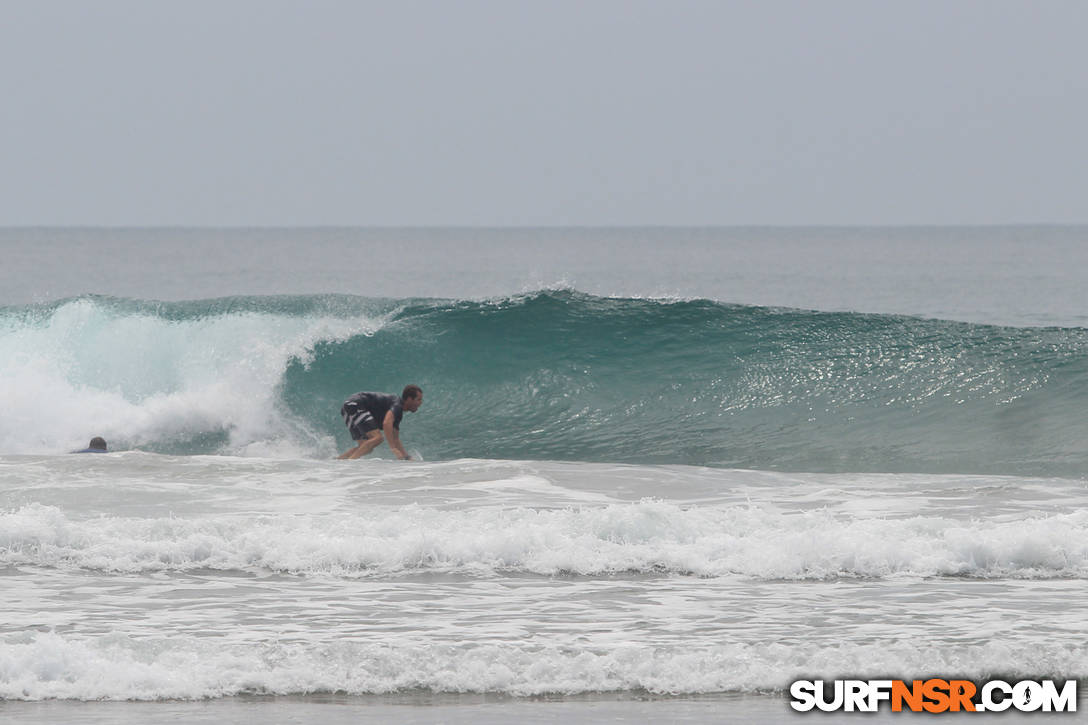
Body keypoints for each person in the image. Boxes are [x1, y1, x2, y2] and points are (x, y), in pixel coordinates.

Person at [337, 385, 423, 460]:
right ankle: (351, 462)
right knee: (377, 438)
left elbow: (395, 439)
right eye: (418, 400)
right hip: (355, 404)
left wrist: (406, 457)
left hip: (349, 406)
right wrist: (393, 448)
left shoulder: (398, 414)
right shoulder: (397, 405)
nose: (420, 403)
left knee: (365, 447)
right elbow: (386, 423)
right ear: (409, 399)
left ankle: (338, 462)